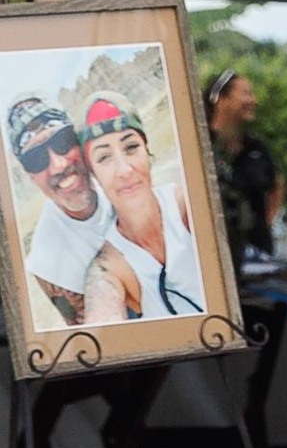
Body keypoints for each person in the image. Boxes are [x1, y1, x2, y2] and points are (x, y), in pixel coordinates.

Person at [78, 103, 206, 324]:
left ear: (147, 152)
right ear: (93, 176)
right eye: (104, 157)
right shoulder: (110, 265)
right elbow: (102, 319)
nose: (125, 170)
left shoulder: (189, 205)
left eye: (131, 147)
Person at [9, 100, 120, 325]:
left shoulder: (122, 177)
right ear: (30, 176)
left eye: (62, 142)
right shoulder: (48, 264)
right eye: (36, 159)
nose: (58, 165)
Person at [204, 70, 279, 264]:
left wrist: (265, 222)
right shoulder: (200, 146)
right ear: (221, 99)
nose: (253, 100)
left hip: (256, 256)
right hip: (214, 256)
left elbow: (276, 185)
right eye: (245, 93)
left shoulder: (256, 147)